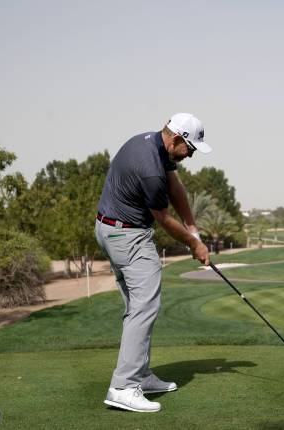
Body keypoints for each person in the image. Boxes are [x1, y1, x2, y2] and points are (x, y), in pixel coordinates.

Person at [94, 113, 211, 413]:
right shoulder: (150, 170)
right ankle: (123, 386)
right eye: (191, 149)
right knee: (145, 307)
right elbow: (164, 218)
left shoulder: (153, 145)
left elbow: (177, 189)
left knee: (137, 308)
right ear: (176, 139)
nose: (192, 155)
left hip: (110, 229)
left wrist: (193, 227)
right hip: (127, 236)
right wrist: (194, 245)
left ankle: (140, 375)